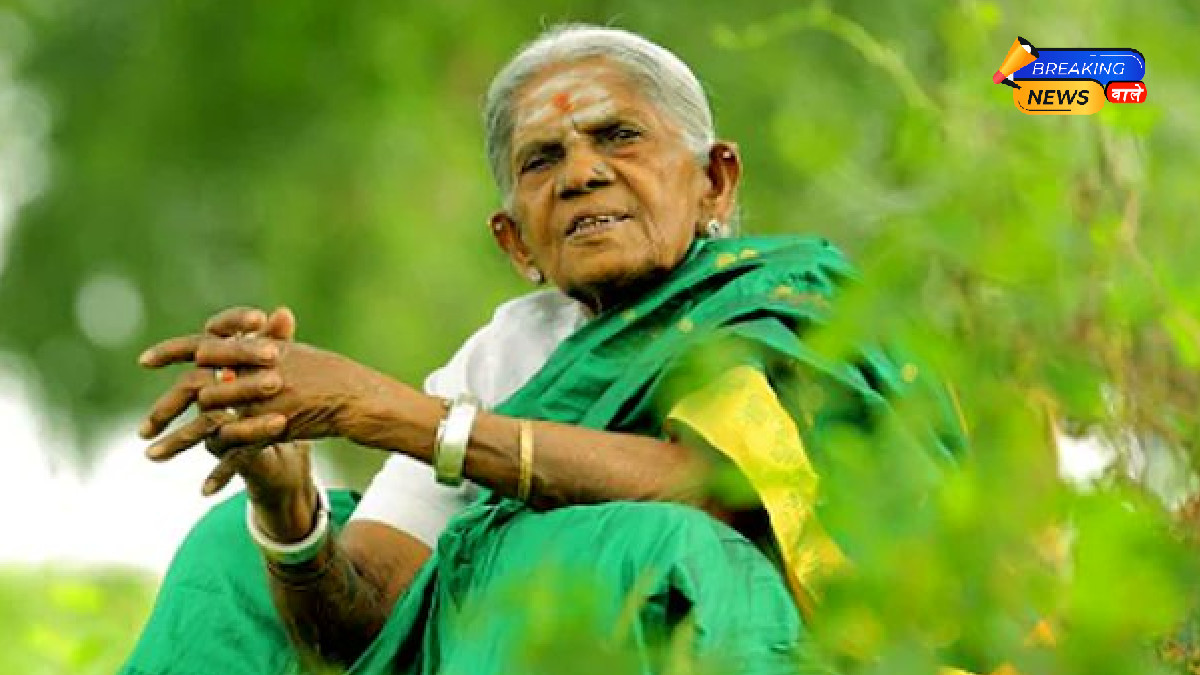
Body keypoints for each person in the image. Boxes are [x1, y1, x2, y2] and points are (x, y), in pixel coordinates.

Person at [121, 24, 961, 675]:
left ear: (716, 181)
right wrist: (286, 506)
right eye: (543, 159)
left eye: (620, 137)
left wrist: (397, 415)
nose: (583, 173)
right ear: (516, 240)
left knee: (614, 553)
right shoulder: (505, 352)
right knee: (235, 547)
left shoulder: (788, 305)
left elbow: (726, 493)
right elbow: (368, 619)